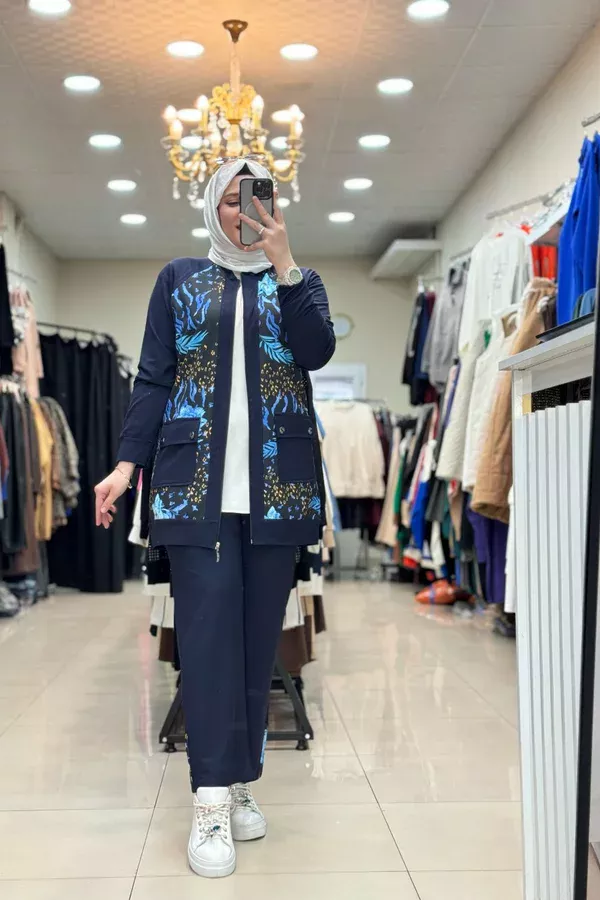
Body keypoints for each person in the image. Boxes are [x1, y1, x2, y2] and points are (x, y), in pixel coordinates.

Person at [94, 158, 335, 879]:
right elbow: (153, 378)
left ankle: (238, 783)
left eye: (258, 200)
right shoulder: (179, 279)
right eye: (231, 200)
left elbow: (315, 352)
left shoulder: (302, 284)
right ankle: (208, 799)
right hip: (191, 489)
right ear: (211, 207)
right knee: (204, 643)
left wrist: (285, 266)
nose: (245, 213)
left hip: (278, 490)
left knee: (259, 646)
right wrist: (126, 466)